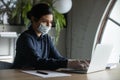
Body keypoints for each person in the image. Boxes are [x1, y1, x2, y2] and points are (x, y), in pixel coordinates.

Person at [12, 3, 89, 70]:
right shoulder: (25, 38)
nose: (49, 25)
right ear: (33, 19)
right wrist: (69, 63)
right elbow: (36, 62)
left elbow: (58, 58)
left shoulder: (46, 38)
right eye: (44, 21)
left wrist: (77, 62)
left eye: (51, 22)